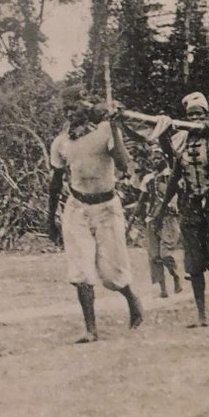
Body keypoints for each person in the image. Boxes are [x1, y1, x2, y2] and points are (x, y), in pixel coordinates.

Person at [46, 88, 142, 344]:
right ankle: (91, 329)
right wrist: (50, 218)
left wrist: (113, 127)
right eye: (65, 109)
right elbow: (55, 182)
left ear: (85, 106)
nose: (69, 113)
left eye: (73, 107)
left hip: (107, 208)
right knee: (81, 272)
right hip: (77, 208)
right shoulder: (61, 143)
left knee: (112, 273)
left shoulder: (104, 132)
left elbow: (123, 164)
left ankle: (132, 299)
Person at [155, 92, 209, 327]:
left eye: (198, 114)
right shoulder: (181, 140)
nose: (194, 119)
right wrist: (163, 133)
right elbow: (173, 173)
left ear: (206, 115)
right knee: (194, 260)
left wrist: (206, 126)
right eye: (190, 115)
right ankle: (201, 314)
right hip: (189, 204)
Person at [133, 170, 181, 298]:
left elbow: (178, 195)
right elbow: (142, 199)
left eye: (158, 157)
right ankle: (163, 288)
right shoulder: (148, 178)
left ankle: (175, 275)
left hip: (167, 219)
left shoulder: (171, 176)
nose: (155, 160)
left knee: (165, 254)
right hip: (151, 218)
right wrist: (136, 213)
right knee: (154, 256)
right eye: (153, 157)